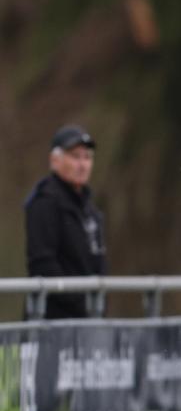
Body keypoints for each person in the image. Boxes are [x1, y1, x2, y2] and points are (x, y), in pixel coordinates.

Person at [24, 124, 107, 319]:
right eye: (75, 156)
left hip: (89, 322)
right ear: (55, 160)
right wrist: (82, 304)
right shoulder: (44, 202)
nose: (83, 164)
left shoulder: (90, 210)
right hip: (52, 324)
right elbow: (43, 264)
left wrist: (97, 306)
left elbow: (98, 264)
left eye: (87, 157)